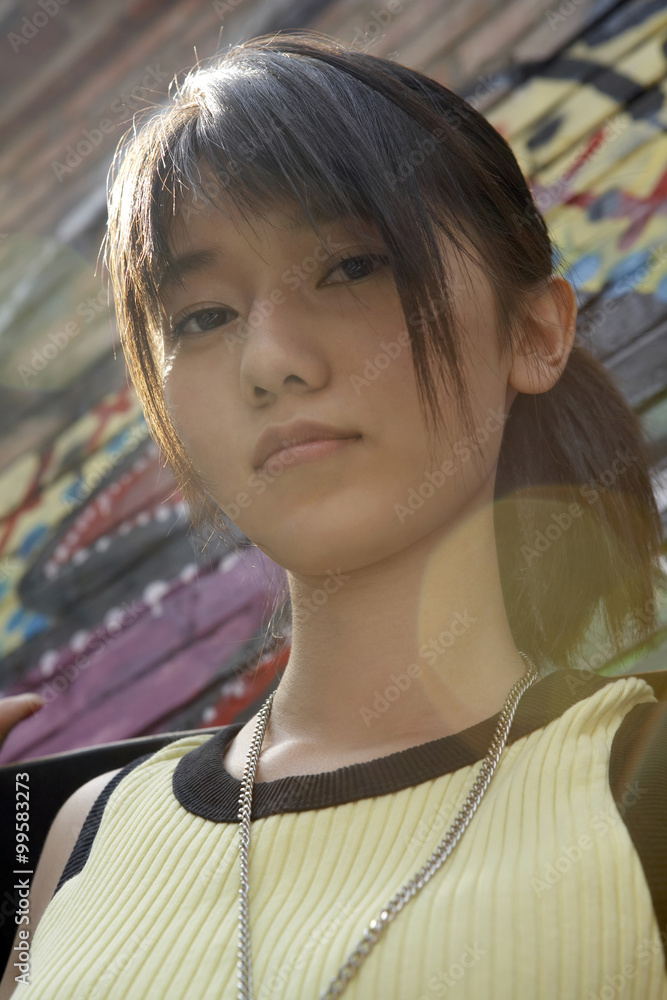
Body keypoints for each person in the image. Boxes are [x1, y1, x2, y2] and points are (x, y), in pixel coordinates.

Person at [1, 31, 665, 1000]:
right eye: (202, 318)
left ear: (532, 331)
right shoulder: (83, 834)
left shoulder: (636, 781)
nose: (271, 359)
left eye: (351, 267)